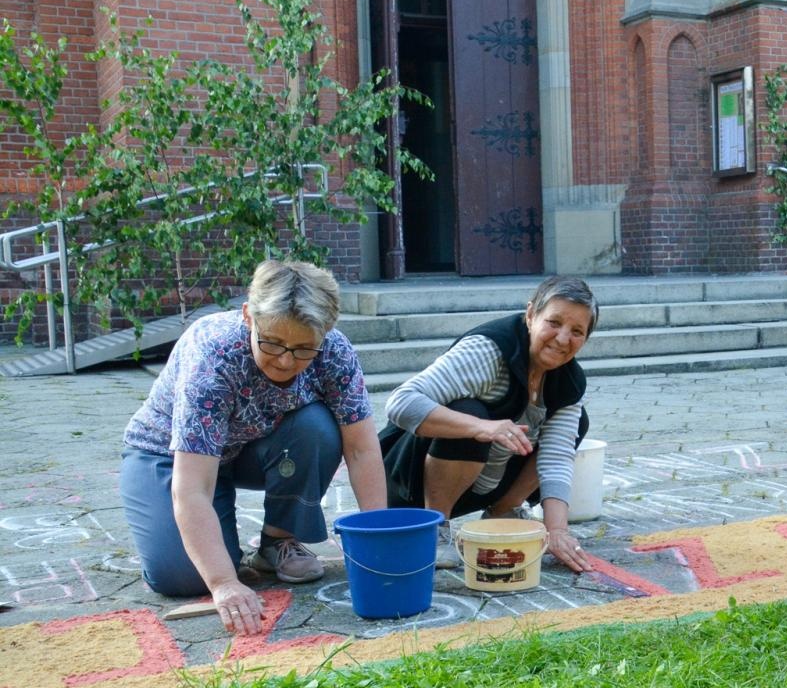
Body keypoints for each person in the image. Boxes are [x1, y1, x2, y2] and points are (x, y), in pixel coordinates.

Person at [119, 260, 388, 636]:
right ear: (248, 316)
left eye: (303, 349)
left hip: (251, 449)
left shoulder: (334, 352)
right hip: (168, 456)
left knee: (317, 427)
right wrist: (223, 582)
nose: (286, 360)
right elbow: (193, 488)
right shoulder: (213, 356)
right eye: (273, 343)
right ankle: (212, 544)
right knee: (184, 579)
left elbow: (361, 449)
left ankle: (276, 542)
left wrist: (382, 539)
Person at [380, 275, 597, 574]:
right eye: (554, 322)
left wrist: (557, 529)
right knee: (470, 412)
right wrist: (480, 427)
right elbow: (400, 403)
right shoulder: (489, 350)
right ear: (531, 314)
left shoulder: (569, 381)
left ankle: (502, 513)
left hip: (484, 482)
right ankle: (434, 527)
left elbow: (556, 457)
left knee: (577, 422)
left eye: (577, 331)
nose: (562, 339)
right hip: (408, 481)